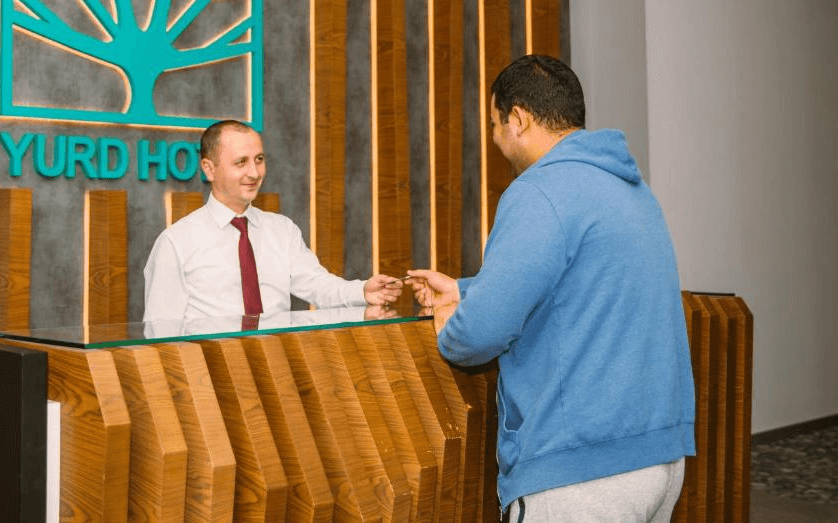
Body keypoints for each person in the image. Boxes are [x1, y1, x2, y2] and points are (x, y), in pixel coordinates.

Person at [409, 55, 695, 522]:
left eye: (495, 124)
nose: (495, 139)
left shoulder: (538, 191)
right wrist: (464, 290)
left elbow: (478, 335)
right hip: (658, 458)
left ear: (519, 119)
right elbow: (577, 286)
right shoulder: (631, 189)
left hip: (580, 471)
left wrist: (449, 322)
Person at [143, 119, 402, 322]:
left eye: (259, 160)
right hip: (210, 369)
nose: (254, 173)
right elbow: (160, 330)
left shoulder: (282, 230)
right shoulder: (176, 242)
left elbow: (317, 286)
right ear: (209, 169)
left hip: (278, 363)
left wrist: (362, 291)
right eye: (241, 162)